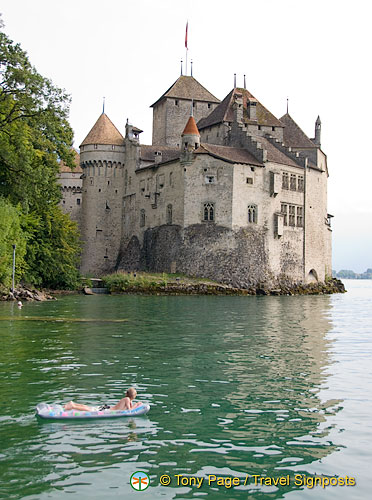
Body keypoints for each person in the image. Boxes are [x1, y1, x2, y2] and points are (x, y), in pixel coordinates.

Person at [64, 387, 141, 411]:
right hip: (107, 410)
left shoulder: (127, 400)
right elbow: (129, 410)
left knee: (89, 408)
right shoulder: (127, 399)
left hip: (107, 408)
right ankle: (73, 406)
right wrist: (137, 405)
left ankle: (73, 404)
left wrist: (134, 404)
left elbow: (129, 408)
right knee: (90, 410)